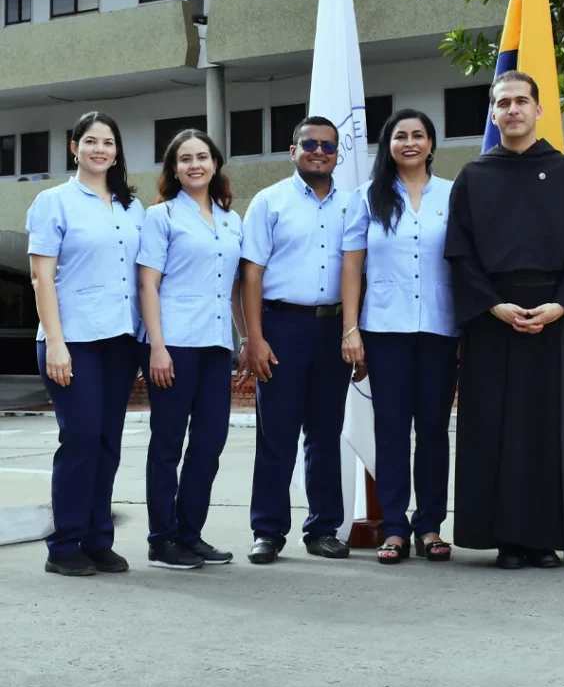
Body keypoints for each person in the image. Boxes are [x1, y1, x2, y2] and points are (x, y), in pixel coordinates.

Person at [444, 70, 564, 569]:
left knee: (549, 429)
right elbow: (460, 255)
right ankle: (505, 541)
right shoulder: (473, 177)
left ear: (539, 110)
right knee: (494, 429)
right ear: (492, 114)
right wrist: (494, 305)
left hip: (558, 318)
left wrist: (561, 305)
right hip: (493, 317)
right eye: (502, 102)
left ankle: (545, 537)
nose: (512, 110)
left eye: (521, 101)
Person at [27, 111, 144, 577]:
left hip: (120, 339)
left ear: (117, 151)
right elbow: (40, 276)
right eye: (90, 141)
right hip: (71, 340)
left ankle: (98, 538)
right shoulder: (54, 202)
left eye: (108, 142)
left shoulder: (132, 208)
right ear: (74, 147)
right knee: (79, 439)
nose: (100, 149)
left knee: (107, 442)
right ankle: (64, 544)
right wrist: (55, 342)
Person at [341, 109, 458, 565]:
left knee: (432, 430)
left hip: (439, 328)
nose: (409, 143)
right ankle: (394, 527)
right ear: (387, 145)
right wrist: (351, 328)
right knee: (390, 431)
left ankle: (429, 525)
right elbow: (352, 265)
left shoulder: (452, 195)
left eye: (418, 135)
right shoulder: (367, 197)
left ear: (431, 143)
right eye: (399, 136)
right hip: (384, 330)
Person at [238, 115, 351, 565]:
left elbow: (360, 271)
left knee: (326, 434)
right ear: (293, 151)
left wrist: (353, 332)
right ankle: (267, 530)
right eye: (309, 144)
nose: (319, 151)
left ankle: (323, 528)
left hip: (334, 329)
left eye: (327, 145)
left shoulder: (354, 205)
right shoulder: (270, 202)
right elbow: (251, 275)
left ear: (337, 153)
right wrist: (254, 337)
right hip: (282, 327)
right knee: (277, 435)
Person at [137, 129, 243, 570]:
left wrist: (247, 338)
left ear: (215, 163)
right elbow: (148, 283)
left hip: (217, 344)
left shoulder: (231, 219)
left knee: (209, 442)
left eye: (202, 156)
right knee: (167, 443)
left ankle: (189, 533)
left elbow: (236, 288)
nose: (194, 164)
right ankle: (161, 540)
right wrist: (157, 348)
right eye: (185, 159)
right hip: (174, 343)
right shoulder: (160, 217)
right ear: (174, 169)